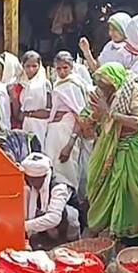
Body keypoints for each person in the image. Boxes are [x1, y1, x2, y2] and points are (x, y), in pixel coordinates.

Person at [86, 62, 138, 239]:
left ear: (115, 81)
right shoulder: (109, 93)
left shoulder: (133, 88)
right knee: (98, 181)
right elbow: (97, 118)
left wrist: (109, 112)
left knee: (128, 192)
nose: (102, 89)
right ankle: (103, 228)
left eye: (105, 85)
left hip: (130, 147)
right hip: (111, 145)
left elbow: (136, 121)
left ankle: (125, 235)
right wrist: (97, 112)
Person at [44, 51, 87, 192]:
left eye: (65, 68)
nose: (62, 72)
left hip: (67, 132)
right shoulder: (58, 83)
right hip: (55, 133)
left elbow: (79, 115)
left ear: (72, 67)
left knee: (67, 172)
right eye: (59, 68)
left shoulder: (73, 85)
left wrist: (70, 144)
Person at [21, 152, 81, 249]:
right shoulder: (32, 185)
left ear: (43, 177)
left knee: (70, 214)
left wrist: (24, 226)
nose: (30, 182)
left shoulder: (59, 187)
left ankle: (65, 244)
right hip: (49, 230)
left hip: (65, 227)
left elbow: (54, 218)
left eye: (33, 180)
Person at [16, 51, 51, 148]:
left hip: (41, 126)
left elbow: (48, 111)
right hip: (26, 125)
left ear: (39, 66)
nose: (31, 70)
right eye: (27, 66)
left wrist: (29, 114)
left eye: (34, 66)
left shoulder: (45, 84)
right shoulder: (22, 84)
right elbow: (19, 114)